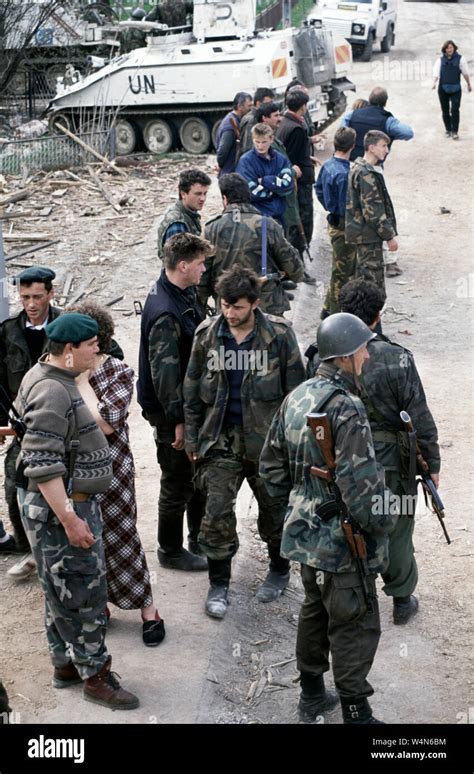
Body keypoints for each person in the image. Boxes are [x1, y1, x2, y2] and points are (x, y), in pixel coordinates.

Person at [260, 313, 396, 724]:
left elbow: (270, 468)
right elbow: (363, 488)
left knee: (315, 609)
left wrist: (303, 502)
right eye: (363, 348)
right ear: (347, 355)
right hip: (343, 540)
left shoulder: (297, 397)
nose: (369, 354)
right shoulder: (347, 408)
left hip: (304, 534)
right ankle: (356, 711)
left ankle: (312, 695)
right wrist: (384, 525)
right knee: (354, 619)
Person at [15, 313, 138, 710]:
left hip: (61, 507)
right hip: (62, 510)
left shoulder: (50, 376)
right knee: (84, 592)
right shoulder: (53, 391)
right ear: (69, 351)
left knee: (59, 587)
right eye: (91, 346)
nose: (98, 351)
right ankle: (95, 676)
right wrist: (70, 519)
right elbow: (43, 464)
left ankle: (65, 663)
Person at [184, 265, 305, 619]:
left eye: (237, 307)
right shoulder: (208, 335)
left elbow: (298, 393)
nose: (229, 313)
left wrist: (295, 444)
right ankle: (219, 582)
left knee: (275, 509)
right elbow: (191, 388)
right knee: (216, 512)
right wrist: (192, 436)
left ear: (254, 304)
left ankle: (279, 569)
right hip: (220, 438)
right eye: (225, 305)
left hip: (268, 442)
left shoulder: (279, 336)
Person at [337, 280, 439, 624]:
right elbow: (419, 416)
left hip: (343, 457)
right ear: (378, 315)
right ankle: (400, 600)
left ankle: (353, 598)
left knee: (349, 522)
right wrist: (432, 462)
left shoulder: (326, 355)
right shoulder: (397, 358)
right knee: (396, 526)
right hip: (391, 462)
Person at [70, 301, 165, 646]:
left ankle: (148, 610)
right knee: (86, 541)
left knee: (122, 535)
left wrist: (80, 383)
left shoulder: (117, 372)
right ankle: (101, 606)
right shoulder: (61, 370)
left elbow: (108, 424)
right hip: (75, 470)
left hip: (112, 468)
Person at [137, 233, 213, 571]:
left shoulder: (181, 293)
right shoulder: (166, 311)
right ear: (183, 265)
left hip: (188, 407)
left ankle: (198, 537)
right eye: (200, 263)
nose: (204, 268)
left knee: (196, 477)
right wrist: (178, 422)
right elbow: (165, 377)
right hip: (174, 414)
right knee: (177, 481)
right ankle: (170, 549)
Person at [0, 267, 61, 574]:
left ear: (51, 293)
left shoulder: (66, 326)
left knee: (57, 485)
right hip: (21, 423)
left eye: (38, 296)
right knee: (14, 484)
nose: (32, 304)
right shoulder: (8, 330)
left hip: (60, 421)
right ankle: (29, 548)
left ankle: (60, 547)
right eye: (25, 297)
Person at [201, 173, 304, 316]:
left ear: (225, 199)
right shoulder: (268, 226)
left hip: (229, 312)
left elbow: (202, 280)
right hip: (266, 310)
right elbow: (296, 271)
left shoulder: (211, 229)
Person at [345, 130, 398, 305]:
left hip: (363, 236)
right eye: (383, 146)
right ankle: (372, 327)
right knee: (373, 288)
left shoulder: (359, 169)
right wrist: (389, 236)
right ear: (371, 147)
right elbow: (373, 212)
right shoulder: (366, 174)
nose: (387, 150)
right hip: (368, 238)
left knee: (364, 282)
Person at [315, 126, 357, 318]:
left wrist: (327, 205)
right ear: (352, 146)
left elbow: (319, 189)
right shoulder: (345, 174)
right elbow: (346, 207)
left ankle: (328, 308)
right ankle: (333, 314)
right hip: (344, 226)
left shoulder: (328, 166)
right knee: (342, 272)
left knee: (339, 269)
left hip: (334, 221)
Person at [277, 90, 316, 252]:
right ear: (303, 107)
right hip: (300, 183)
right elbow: (291, 157)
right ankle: (299, 256)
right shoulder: (296, 129)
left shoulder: (284, 123)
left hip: (294, 180)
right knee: (303, 220)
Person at [236, 123, 294, 228]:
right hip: (256, 218)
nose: (260, 146)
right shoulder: (246, 161)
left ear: (271, 140)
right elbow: (250, 192)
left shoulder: (281, 159)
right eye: (257, 142)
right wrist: (276, 190)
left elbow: (288, 185)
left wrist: (265, 181)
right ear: (253, 139)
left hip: (279, 216)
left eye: (264, 142)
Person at [342, 86, 414, 161]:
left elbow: (341, 133)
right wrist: (389, 135)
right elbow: (409, 133)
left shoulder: (352, 115)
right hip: (373, 166)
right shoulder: (388, 121)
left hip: (351, 162)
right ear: (385, 103)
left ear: (369, 99)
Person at [157, 169, 211, 260]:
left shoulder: (189, 213)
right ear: (183, 194)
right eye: (198, 194)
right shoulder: (177, 224)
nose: (203, 198)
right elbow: (179, 263)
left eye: (205, 194)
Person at [432, 40, 471, 140]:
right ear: (444, 49)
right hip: (443, 89)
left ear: (454, 48)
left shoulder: (461, 59)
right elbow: (436, 74)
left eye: (451, 47)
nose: (449, 49)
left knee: (455, 110)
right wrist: (434, 83)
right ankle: (448, 129)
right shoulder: (440, 60)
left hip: (456, 89)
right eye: (447, 48)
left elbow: (465, 73)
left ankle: (455, 131)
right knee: (445, 110)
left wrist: (468, 84)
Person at [215, 92, 253, 177]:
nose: (251, 109)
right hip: (229, 173)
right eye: (249, 106)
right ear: (239, 106)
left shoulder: (236, 120)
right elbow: (222, 152)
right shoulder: (230, 126)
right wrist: (221, 166)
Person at [235, 87, 275, 162]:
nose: (271, 106)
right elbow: (248, 147)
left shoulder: (256, 117)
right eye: (269, 103)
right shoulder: (252, 120)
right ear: (258, 103)